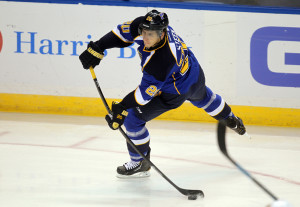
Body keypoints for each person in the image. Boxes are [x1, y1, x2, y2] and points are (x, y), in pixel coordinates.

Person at [79, 10, 246, 178]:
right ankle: (230, 119)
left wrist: (121, 108)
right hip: (194, 73)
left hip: (174, 92)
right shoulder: (146, 26)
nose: (145, 37)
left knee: (132, 117)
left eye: (150, 34)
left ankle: (140, 162)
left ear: (162, 33)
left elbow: (143, 96)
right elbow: (121, 33)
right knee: (204, 98)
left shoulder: (161, 61)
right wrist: (99, 47)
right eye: (144, 32)